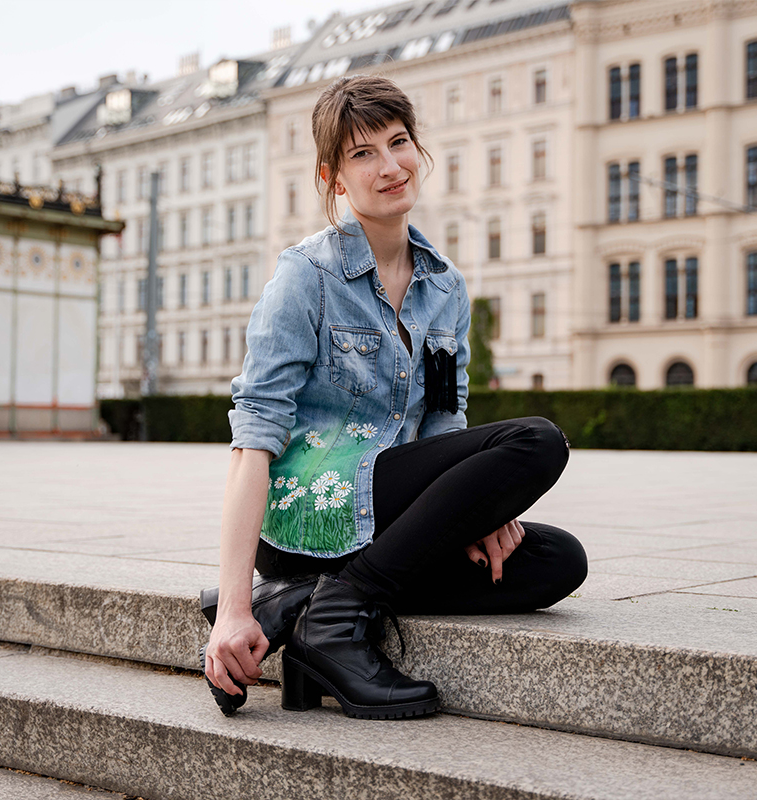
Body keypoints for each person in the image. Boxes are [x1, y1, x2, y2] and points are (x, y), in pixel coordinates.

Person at [200, 75, 587, 721]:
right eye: (363, 154)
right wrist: (233, 608)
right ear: (333, 178)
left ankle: (301, 605)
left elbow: (444, 419)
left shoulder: (445, 286)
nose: (390, 166)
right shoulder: (306, 275)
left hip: (385, 511)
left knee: (554, 562)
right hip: (306, 508)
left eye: (398, 142)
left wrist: (482, 506)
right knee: (537, 441)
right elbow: (254, 441)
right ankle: (335, 617)